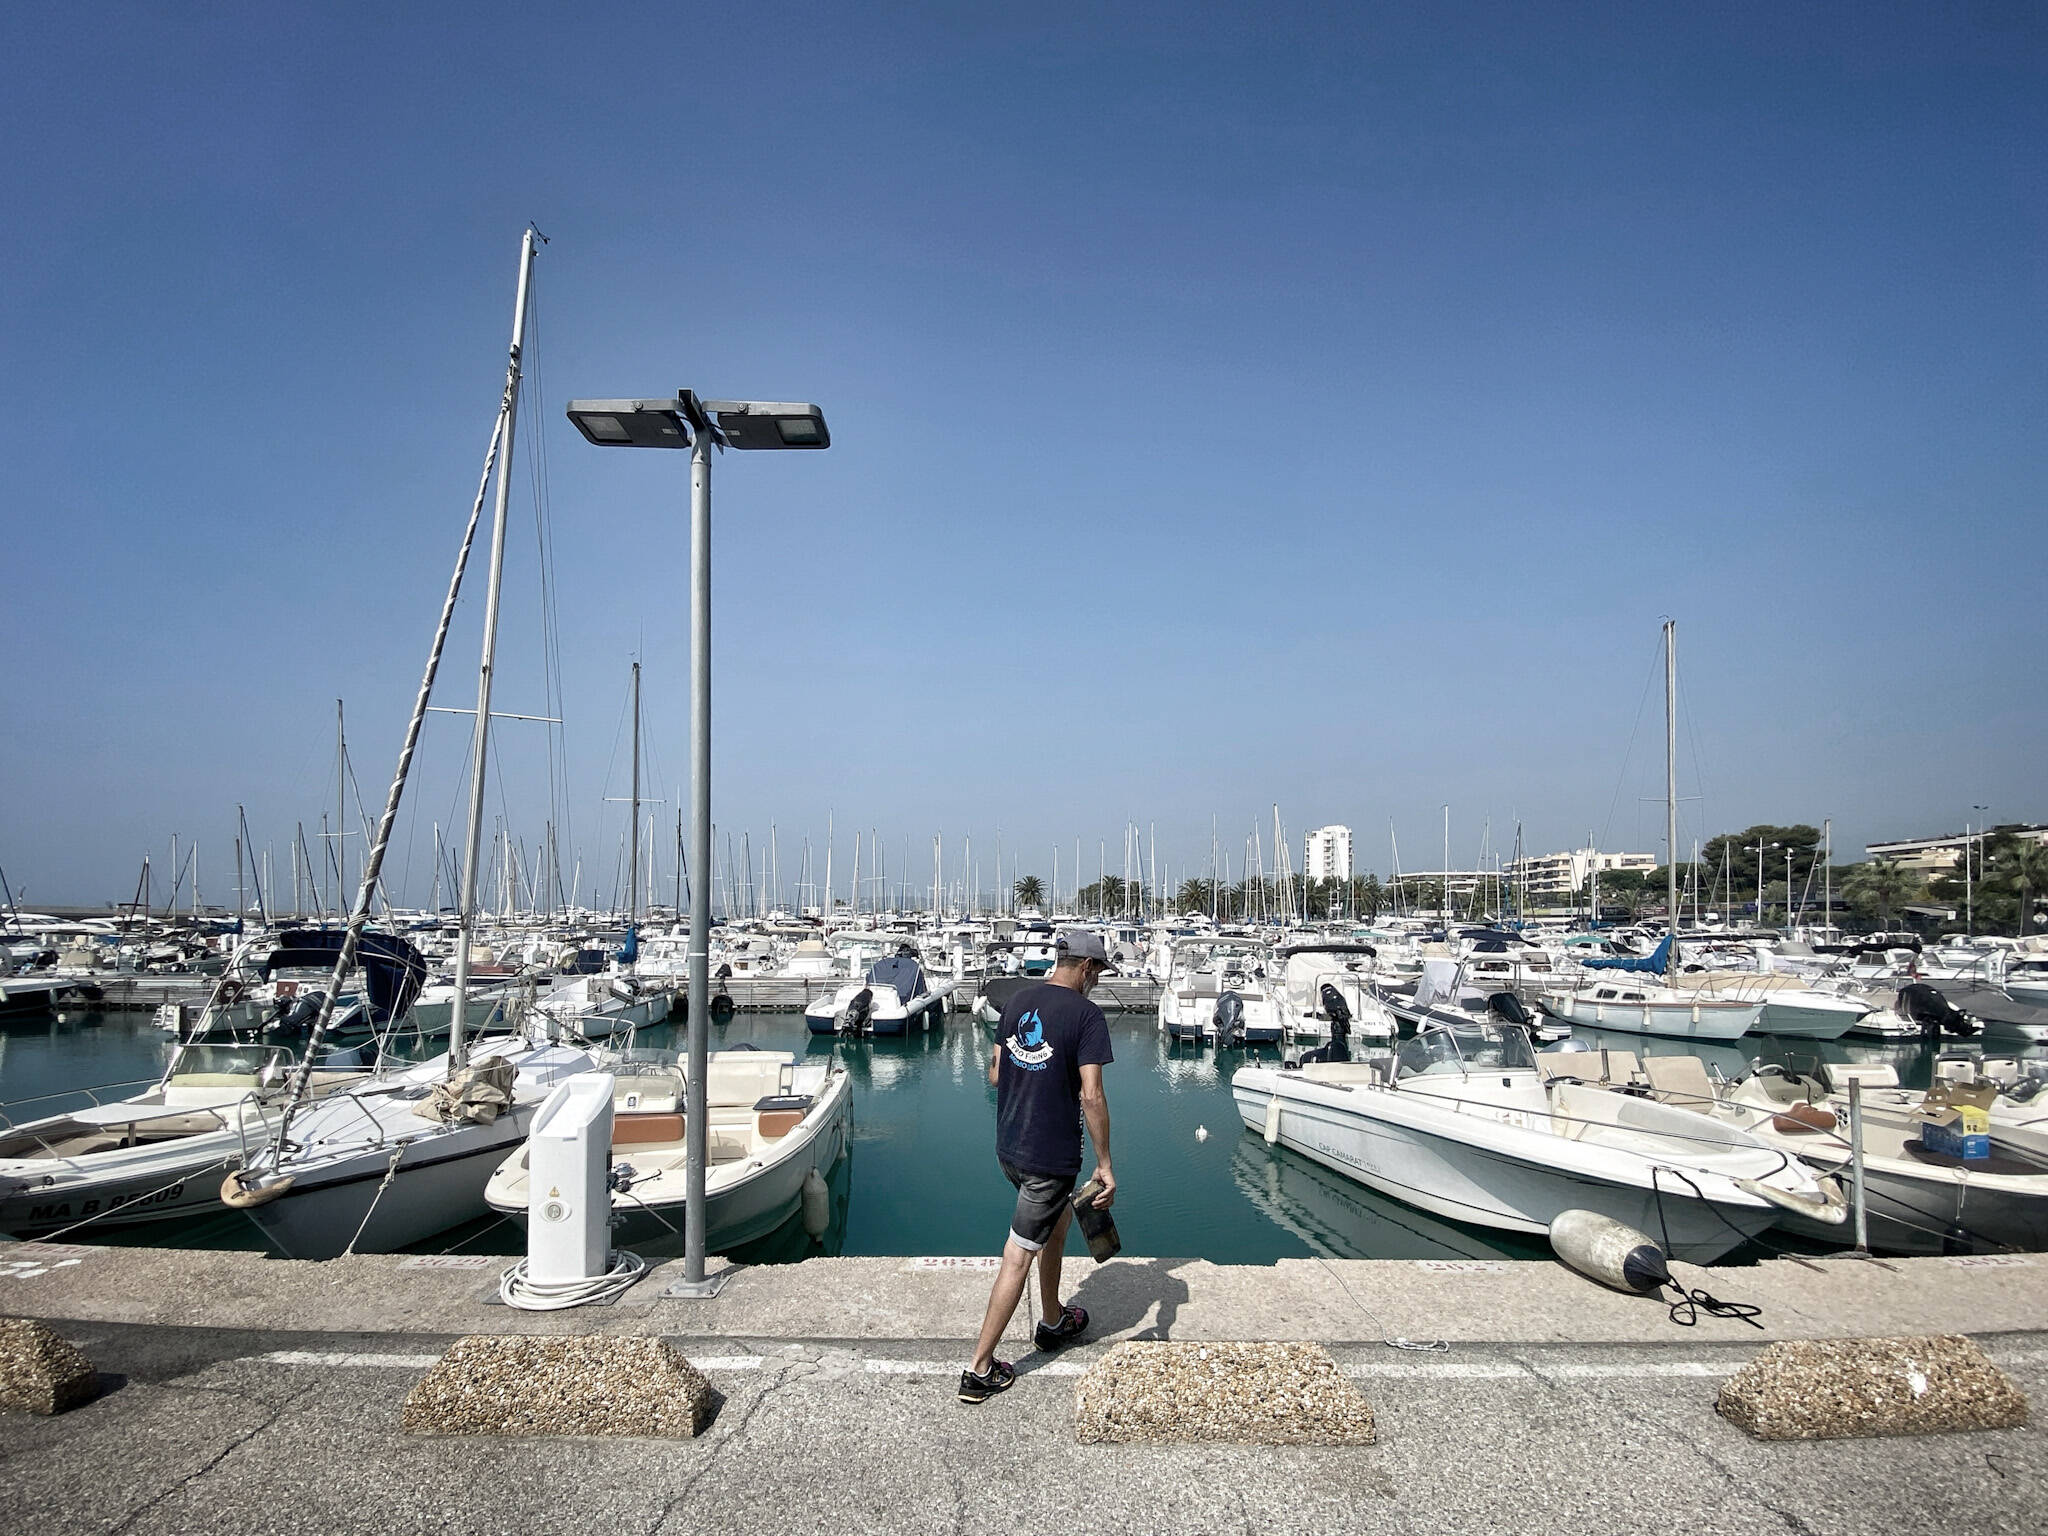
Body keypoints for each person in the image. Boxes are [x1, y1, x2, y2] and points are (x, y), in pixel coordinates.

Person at [958, 928, 1116, 1404]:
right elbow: (1091, 1094)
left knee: (1060, 1219)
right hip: (1049, 1160)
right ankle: (979, 1369)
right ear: (1086, 968)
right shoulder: (1087, 1017)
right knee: (1018, 1255)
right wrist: (1105, 1163)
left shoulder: (1017, 1002)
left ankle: (1051, 1320)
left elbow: (994, 1073)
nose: (1096, 980)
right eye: (1098, 972)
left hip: (1009, 1149)